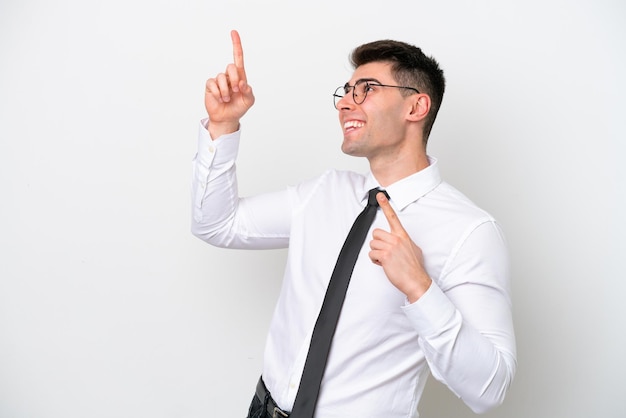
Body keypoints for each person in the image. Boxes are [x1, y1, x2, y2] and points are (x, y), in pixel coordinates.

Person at [191, 30, 516, 418]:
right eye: (345, 91)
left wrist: (420, 289)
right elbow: (217, 224)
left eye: (366, 89)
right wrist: (222, 125)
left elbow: (491, 389)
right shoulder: (322, 194)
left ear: (416, 107)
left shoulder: (469, 231)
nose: (345, 103)